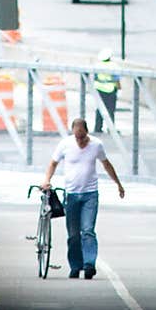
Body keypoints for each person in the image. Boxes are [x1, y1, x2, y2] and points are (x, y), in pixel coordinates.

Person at [41, 116, 125, 279]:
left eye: (83, 137)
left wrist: (118, 184)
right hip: (71, 194)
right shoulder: (66, 144)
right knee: (73, 235)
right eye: (77, 137)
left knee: (87, 230)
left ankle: (89, 264)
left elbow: (106, 164)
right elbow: (53, 163)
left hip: (90, 195)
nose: (80, 141)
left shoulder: (96, 145)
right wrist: (46, 180)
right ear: (73, 133)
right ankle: (75, 266)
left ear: (87, 132)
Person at [93, 50, 120, 131]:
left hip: (99, 89)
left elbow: (95, 77)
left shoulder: (97, 65)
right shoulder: (114, 66)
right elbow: (116, 79)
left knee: (100, 109)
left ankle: (98, 128)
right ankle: (111, 128)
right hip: (110, 89)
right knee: (111, 109)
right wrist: (119, 88)